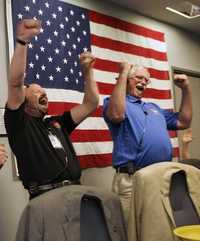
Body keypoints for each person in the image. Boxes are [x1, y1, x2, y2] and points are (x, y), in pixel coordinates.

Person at [4, 19, 99, 199]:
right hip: (46, 196)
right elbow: (16, 83)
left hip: (75, 193)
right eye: (37, 91)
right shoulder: (20, 125)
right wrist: (23, 42)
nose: (43, 92)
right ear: (24, 101)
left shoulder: (56, 124)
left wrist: (88, 71)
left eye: (44, 90)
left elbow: (91, 103)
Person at [103, 62, 192, 224]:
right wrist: (123, 73)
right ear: (127, 79)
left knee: (158, 226)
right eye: (139, 77)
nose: (143, 82)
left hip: (160, 177)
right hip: (131, 180)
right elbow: (116, 114)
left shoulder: (153, 108)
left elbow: (183, 121)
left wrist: (185, 89)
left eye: (146, 80)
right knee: (129, 228)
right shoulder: (114, 102)